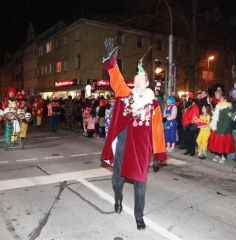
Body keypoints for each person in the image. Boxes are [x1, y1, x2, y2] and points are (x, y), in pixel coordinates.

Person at [100, 38, 167, 230]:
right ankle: (118, 198)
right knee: (117, 180)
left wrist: (159, 153)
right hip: (122, 144)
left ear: (147, 83)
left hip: (141, 149)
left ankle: (139, 216)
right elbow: (116, 77)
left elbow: (157, 129)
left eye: (141, 80)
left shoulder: (153, 104)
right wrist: (109, 58)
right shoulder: (125, 95)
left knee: (140, 183)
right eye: (135, 80)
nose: (137, 82)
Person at [209, 93, 235, 163]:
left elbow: (227, 122)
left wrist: (223, 131)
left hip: (224, 130)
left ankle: (224, 157)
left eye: (221, 98)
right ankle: (219, 155)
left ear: (225, 99)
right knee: (217, 143)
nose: (219, 99)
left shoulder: (228, 108)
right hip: (217, 128)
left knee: (223, 144)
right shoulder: (219, 106)